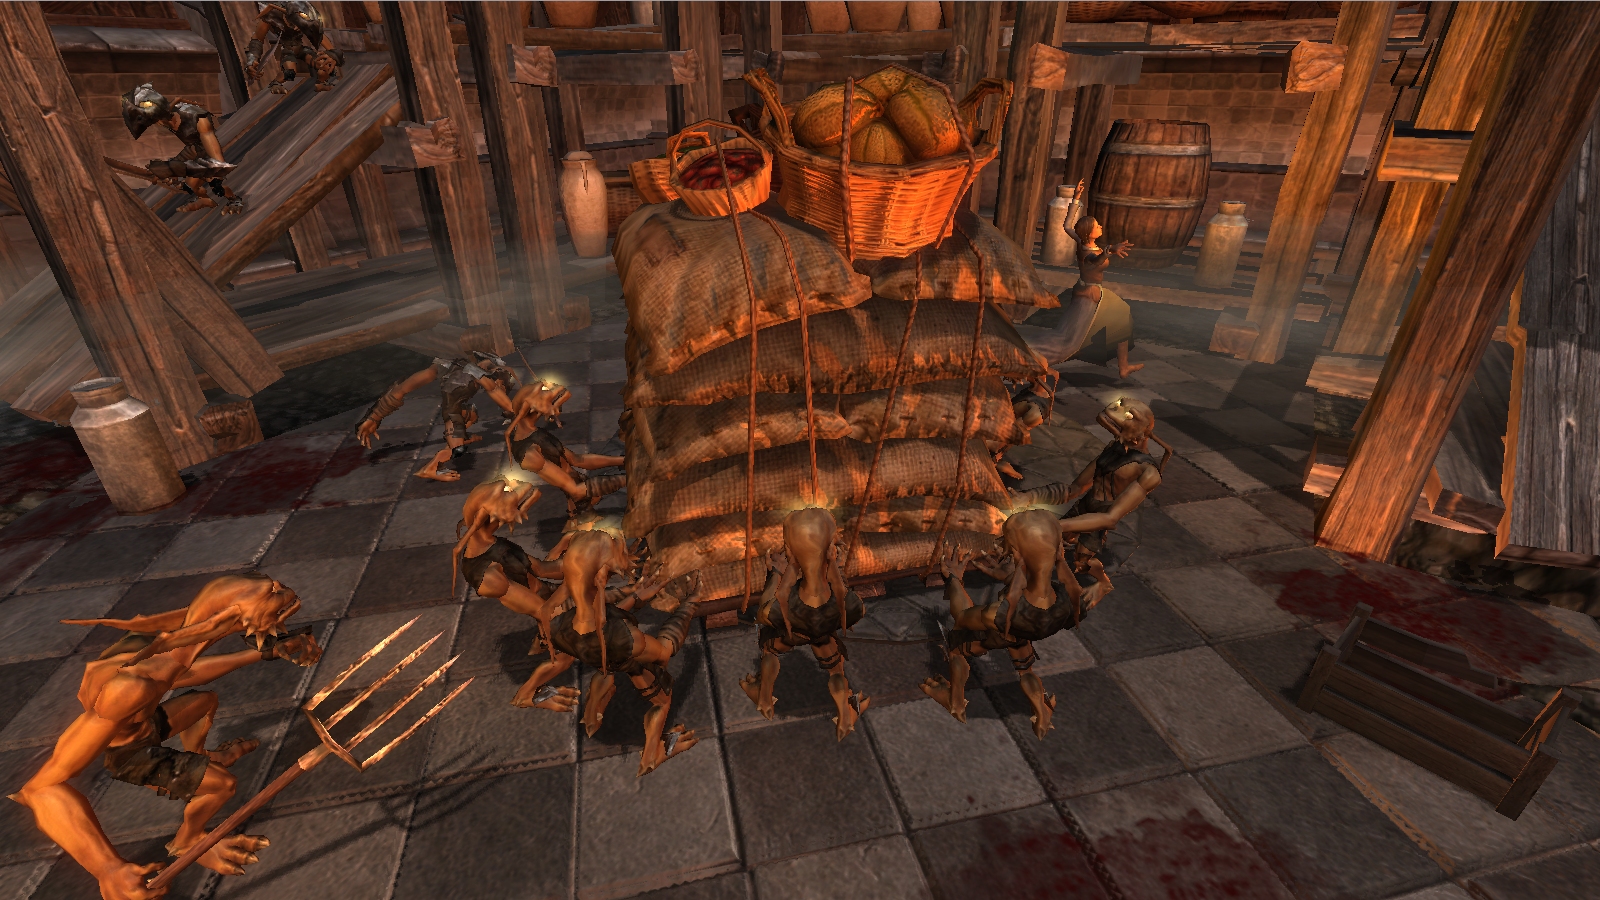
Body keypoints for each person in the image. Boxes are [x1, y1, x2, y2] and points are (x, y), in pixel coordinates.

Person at [14, 575, 321, 900]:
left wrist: (265, 653)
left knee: (204, 702)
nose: (277, 627)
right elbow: (40, 788)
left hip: (146, 724)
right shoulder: (126, 690)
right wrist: (107, 868)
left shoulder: (163, 650)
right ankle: (188, 840)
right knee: (222, 785)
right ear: (232, 616)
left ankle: (199, 757)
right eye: (272, 620)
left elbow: (185, 672)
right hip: (130, 753)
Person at [515, 528, 701, 776]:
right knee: (662, 693)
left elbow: (601, 615)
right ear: (600, 573)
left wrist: (638, 595)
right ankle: (651, 756)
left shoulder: (562, 617)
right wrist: (688, 606)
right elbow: (658, 649)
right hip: (612, 644)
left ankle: (584, 699)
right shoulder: (622, 634)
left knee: (614, 662)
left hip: (575, 638)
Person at [920, 511, 1113, 739]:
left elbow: (962, 616)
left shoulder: (996, 613)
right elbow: (1099, 591)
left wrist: (954, 578)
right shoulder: (1069, 598)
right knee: (1024, 669)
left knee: (956, 647)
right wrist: (1011, 578)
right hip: (1030, 628)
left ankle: (956, 703)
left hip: (1004, 629)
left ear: (1016, 553)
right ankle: (1041, 713)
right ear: (1059, 548)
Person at [739, 508, 871, 741]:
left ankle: (765, 699)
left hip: (794, 633)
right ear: (832, 548)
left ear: (789, 550)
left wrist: (776, 573)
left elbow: (764, 613)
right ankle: (844, 718)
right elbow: (857, 611)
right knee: (835, 670)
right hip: (823, 636)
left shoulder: (788, 602)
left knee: (770, 650)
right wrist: (837, 568)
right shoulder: (845, 600)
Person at [357, 353, 522, 482]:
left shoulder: (447, 364)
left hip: (457, 408)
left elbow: (402, 389)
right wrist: (517, 413)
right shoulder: (478, 374)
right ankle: (430, 468)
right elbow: (494, 391)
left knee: (471, 415)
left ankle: (461, 438)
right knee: (457, 449)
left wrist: (374, 416)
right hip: (452, 411)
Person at [504, 382, 626, 517]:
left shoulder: (535, 431)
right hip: (581, 502)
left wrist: (623, 460)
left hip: (583, 491)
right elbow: (576, 491)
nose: (556, 412)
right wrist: (626, 479)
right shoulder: (529, 455)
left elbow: (577, 460)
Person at [120, 84, 243, 215]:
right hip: (193, 148)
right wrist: (170, 171)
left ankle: (234, 200)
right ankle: (205, 200)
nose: (158, 124)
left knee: (213, 183)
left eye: (154, 120)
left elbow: (213, 149)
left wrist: (217, 170)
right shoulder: (164, 117)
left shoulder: (196, 118)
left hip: (205, 149)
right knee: (183, 182)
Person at [244, 2, 344, 94]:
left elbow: (319, 36)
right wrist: (252, 60)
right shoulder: (272, 16)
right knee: (290, 73)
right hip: (288, 50)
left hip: (301, 49)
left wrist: (334, 54)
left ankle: (321, 83)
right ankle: (275, 83)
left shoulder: (305, 15)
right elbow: (257, 38)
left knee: (326, 66)